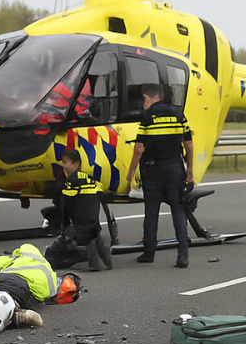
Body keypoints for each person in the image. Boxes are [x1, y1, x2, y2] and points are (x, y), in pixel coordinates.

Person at [123, 83, 194, 268]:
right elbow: (188, 145)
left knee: (151, 211)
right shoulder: (179, 114)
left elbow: (139, 149)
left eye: (143, 101)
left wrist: (131, 172)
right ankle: (183, 255)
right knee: (178, 210)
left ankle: (149, 253)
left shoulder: (147, 117)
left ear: (147, 98)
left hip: (153, 170)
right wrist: (190, 170)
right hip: (174, 168)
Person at [55, 149, 113, 272]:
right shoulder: (87, 177)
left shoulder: (73, 180)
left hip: (82, 214)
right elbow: (99, 192)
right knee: (95, 235)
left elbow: (66, 201)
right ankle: (107, 261)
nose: (63, 166)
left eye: (66, 162)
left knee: (87, 238)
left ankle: (94, 264)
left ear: (76, 164)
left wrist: (66, 218)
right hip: (92, 211)